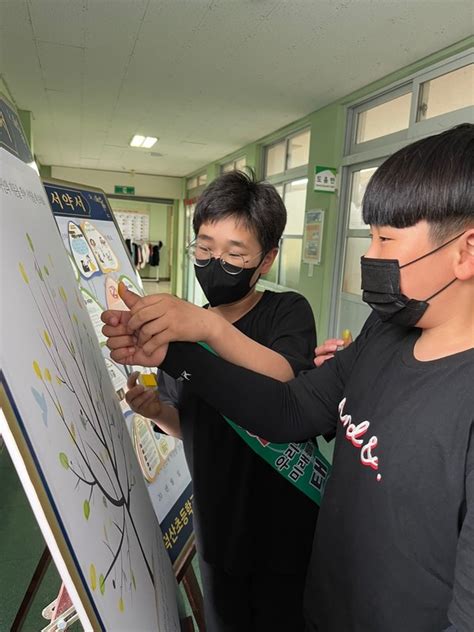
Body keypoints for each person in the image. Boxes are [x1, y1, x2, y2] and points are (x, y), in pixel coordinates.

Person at [104, 124, 474, 632]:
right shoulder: (383, 333)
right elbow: (289, 410)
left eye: (387, 239)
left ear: (466, 250)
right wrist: (173, 355)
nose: (370, 256)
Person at [103, 170, 319, 632]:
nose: (214, 262)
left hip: (283, 524)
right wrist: (158, 412)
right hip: (218, 523)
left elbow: (285, 381)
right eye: (204, 248)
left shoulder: (287, 311)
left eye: (235, 253)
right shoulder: (180, 331)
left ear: (267, 260)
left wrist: (209, 328)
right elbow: (193, 422)